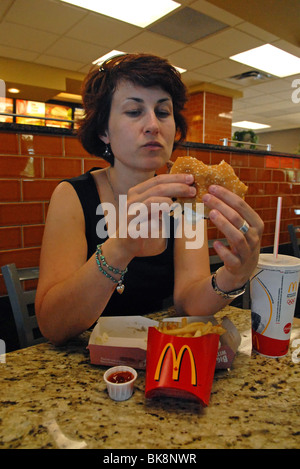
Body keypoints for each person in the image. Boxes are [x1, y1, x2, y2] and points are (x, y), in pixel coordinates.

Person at [35, 53, 264, 345]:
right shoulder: (72, 196)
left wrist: (232, 278)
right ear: (104, 130)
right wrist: (121, 246)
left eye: (163, 112)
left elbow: (188, 303)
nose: (153, 125)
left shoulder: (186, 202)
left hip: (162, 361)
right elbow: (53, 325)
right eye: (134, 111)